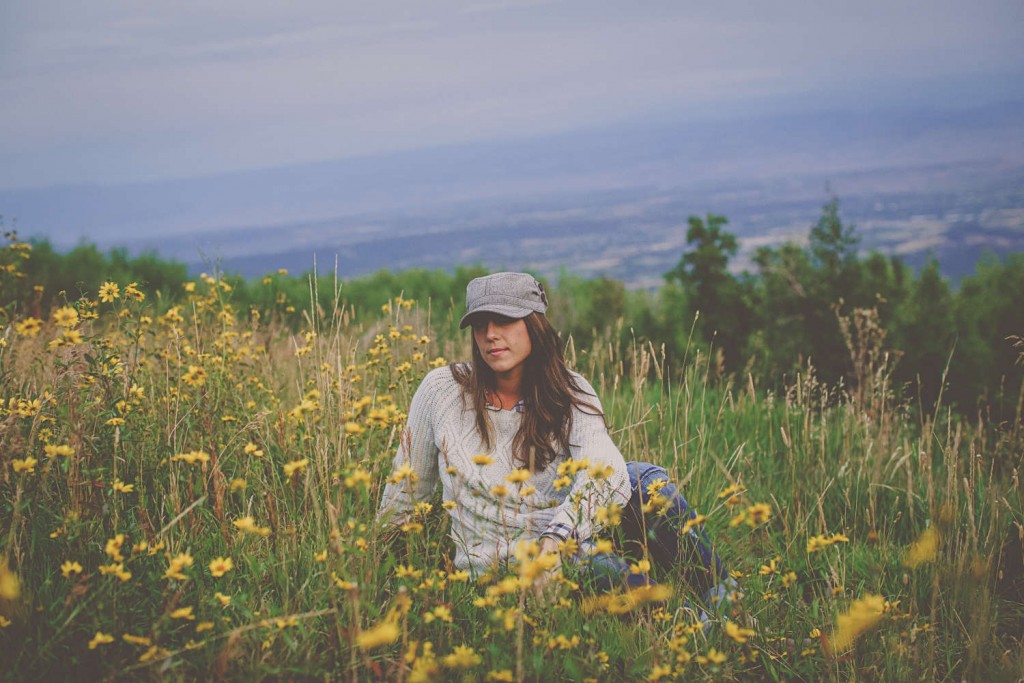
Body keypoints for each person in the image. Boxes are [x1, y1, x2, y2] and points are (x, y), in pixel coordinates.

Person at [377, 272, 727, 600]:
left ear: (535, 325)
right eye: (480, 325)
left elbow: (607, 468)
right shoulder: (443, 391)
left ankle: (725, 603)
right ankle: (677, 616)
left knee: (642, 479)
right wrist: (381, 573)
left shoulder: (569, 391)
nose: (490, 334)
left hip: (564, 545)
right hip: (495, 568)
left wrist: (556, 539)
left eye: (504, 320)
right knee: (619, 582)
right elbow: (404, 495)